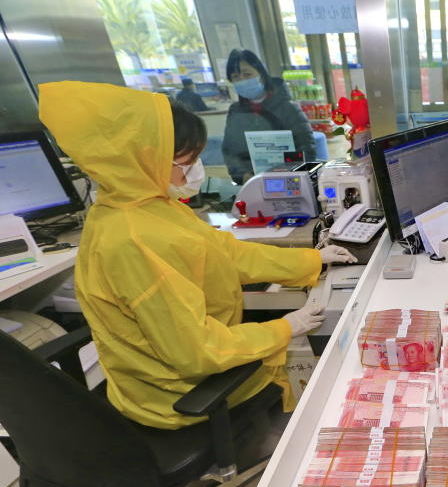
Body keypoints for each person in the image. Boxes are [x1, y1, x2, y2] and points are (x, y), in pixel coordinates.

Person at [38, 81, 356, 430]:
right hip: (176, 394)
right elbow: (198, 351)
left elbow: (225, 252)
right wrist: (285, 327)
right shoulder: (134, 241)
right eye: (185, 161)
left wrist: (312, 260)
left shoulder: (145, 206)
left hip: (183, 360)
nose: (195, 170)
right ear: (141, 159)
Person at [221, 49, 316, 184]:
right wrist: (242, 175)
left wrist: (290, 171)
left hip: (289, 182)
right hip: (252, 183)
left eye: (247, 74)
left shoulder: (287, 108)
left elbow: (306, 147)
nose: (242, 80)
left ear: (262, 74)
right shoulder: (235, 111)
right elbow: (230, 151)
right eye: (236, 77)